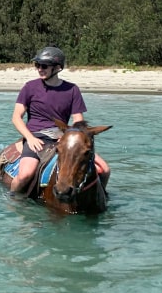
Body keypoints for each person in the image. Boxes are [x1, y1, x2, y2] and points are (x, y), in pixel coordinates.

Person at [9, 46, 111, 193]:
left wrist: (68, 139)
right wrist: (30, 138)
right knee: (25, 174)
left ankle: (100, 197)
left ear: (57, 68)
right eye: (37, 65)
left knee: (105, 170)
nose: (39, 69)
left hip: (63, 137)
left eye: (44, 66)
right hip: (36, 137)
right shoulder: (30, 87)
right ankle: (12, 199)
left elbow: (78, 123)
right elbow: (16, 117)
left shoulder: (72, 90)